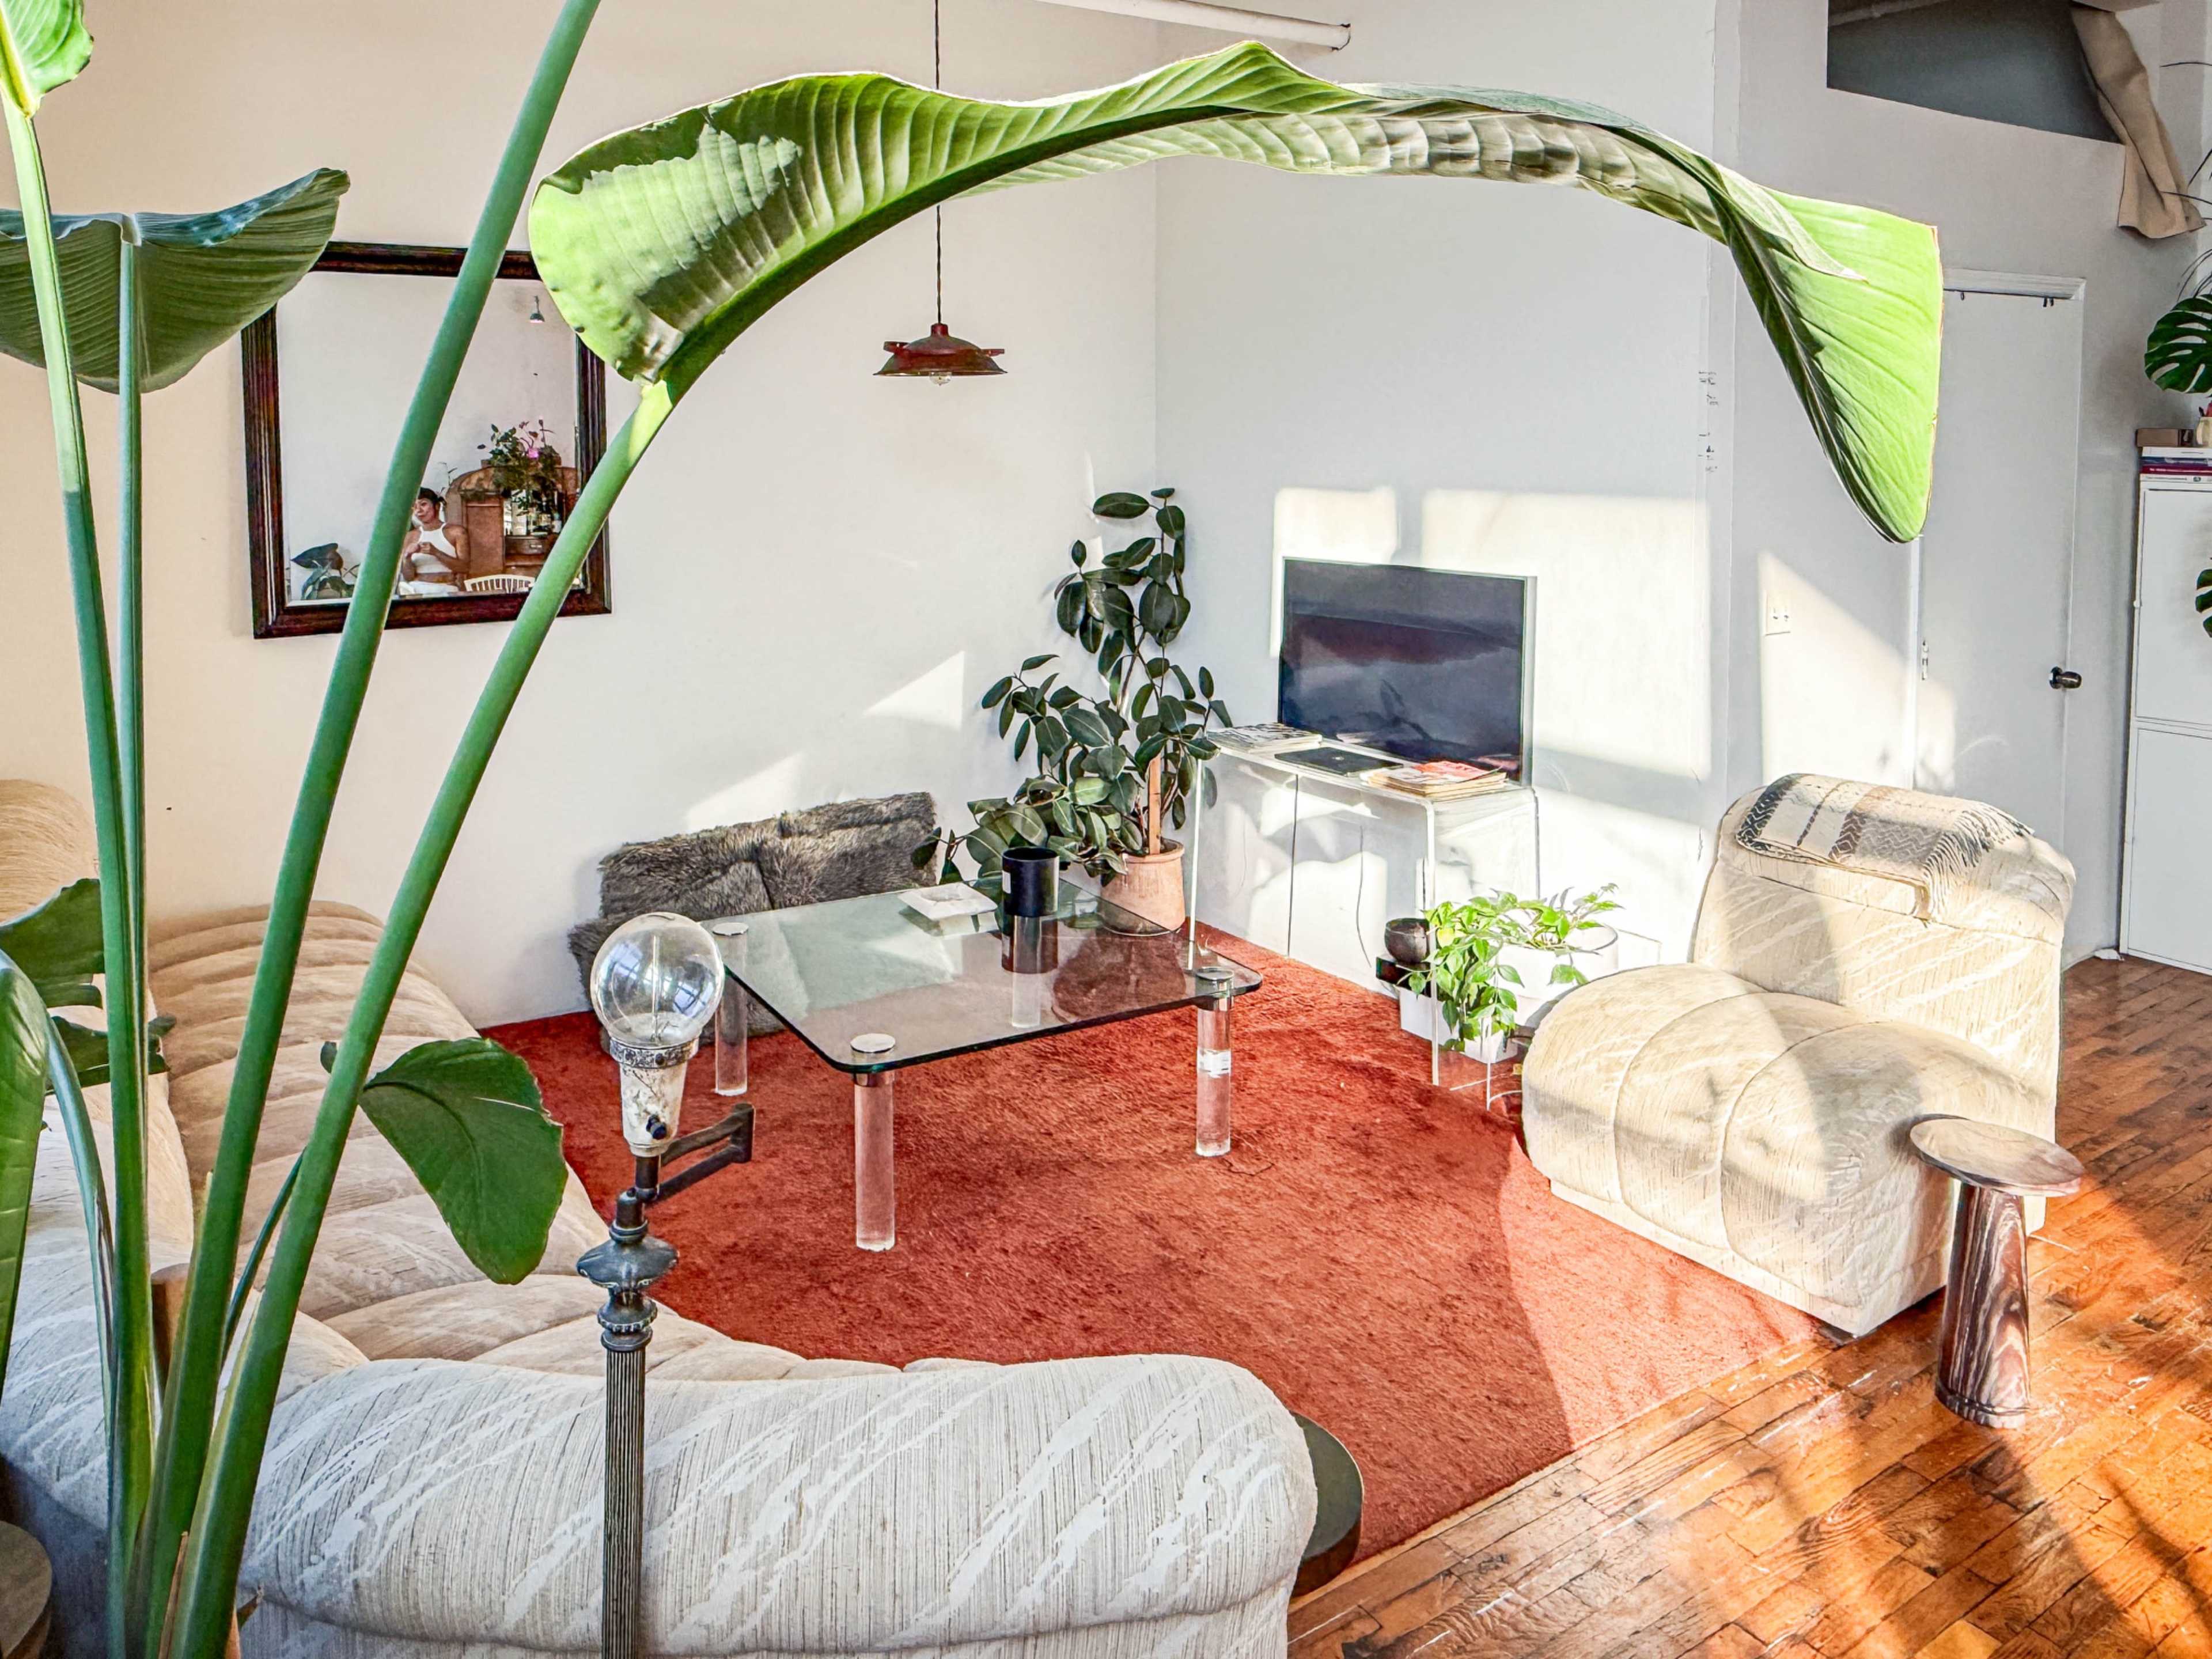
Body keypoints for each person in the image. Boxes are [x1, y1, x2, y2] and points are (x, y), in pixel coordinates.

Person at [397, 487, 467, 597]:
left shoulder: (456, 532)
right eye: (415, 506)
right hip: (418, 590)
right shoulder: (411, 536)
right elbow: (408, 577)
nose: (419, 510)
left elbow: (464, 567)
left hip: (448, 590)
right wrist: (408, 557)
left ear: (437, 506)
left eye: (423, 504)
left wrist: (436, 553)